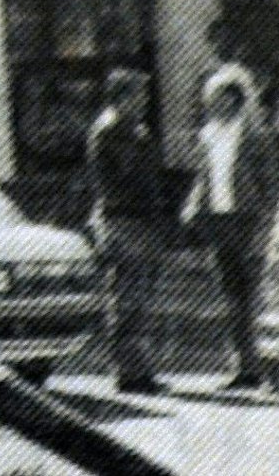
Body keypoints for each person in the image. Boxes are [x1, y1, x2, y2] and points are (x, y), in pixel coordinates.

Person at [182, 72, 279, 392]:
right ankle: (244, 366)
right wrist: (193, 206)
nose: (214, 105)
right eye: (211, 99)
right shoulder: (209, 135)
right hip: (219, 221)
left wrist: (266, 225)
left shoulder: (254, 135)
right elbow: (204, 176)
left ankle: (270, 366)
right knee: (231, 298)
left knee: (256, 297)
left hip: (247, 221)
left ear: (236, 100)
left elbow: (270, 184)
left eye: (221, 98)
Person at [86, 68, 171, 395]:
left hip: (139, 220)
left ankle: (140, 368)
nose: (143, 102)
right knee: (127, 298)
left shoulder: (132, 129)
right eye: (138, 95)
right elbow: (122, 179)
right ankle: (130, 372)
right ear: (121, 97)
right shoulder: (110, 131)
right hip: (123, 219)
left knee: (140, 298)